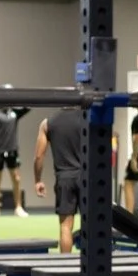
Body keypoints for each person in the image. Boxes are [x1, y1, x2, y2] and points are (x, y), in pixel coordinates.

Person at [33, 107, 84, 254]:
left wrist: (38, 180)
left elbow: (39, 157)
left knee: (65, 226)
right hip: (86, 177)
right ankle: (92, 266)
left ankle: (66, 265)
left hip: (64, 179)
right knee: (91, 226)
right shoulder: (87, 119)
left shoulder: (47, 123)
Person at [0, 104, 32, 218]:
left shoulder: (14, 112)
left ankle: (18, 207)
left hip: (12, 150)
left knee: (16, 179)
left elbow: (28, 107)